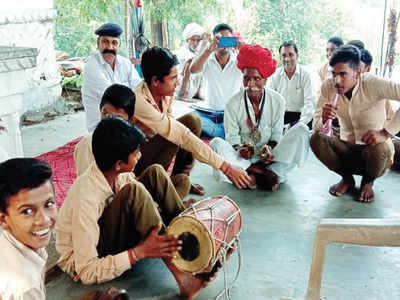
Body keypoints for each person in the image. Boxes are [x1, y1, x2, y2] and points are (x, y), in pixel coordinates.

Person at [56, 117, 221, 299]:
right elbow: (86, 270)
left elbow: (139, 197)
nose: (140, 156)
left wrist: (157, 212)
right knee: (134, 191)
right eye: (136, 153)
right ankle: (183, 277)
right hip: (88, 259)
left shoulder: (114, 172)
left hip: (110, 232)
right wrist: (138, 253)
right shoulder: (86, 195)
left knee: (155, 172)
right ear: (119, 164)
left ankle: (190, 246)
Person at [0, 158, 126, 300]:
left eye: (48, 204)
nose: (44, 220)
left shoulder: (17, 242)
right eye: (27, 211)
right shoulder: (24, 287)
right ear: (3, 219)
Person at [133, 46, 252, 191]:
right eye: (173, 78)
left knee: (192, 121)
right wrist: (226, 167)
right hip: (133, 166)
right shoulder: (139, 100)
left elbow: (178, 129)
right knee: (176, 134)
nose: (177, 83)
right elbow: (179, 134)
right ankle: (160, 188)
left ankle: (179, 179)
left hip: (152, 150)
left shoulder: (163, 93)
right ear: (155, 81)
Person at [210, 45, 309, 190]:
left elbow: (276, 134)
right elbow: (231, 138)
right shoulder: (232, 103)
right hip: (242, 159)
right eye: (246, 78)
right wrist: (240, 149)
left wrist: (269, 149)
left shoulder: (278, 101)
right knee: (216, 144)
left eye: (256, 79)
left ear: (265, 79)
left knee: (302, 130)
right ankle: (262, 174)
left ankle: (251, 175)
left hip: (269, 157)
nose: (251, 84)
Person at [311, 45, 400, 203]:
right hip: (346, 148)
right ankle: (347, 179)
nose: (337, 81)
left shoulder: (374, 83)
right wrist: (324, 120)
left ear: (358, 72)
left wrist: (385, 133)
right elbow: (316, 125)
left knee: (381, 147)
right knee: (316, 139)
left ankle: (368, 182)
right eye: (334, 74)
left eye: (343, 74)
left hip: (375, 153)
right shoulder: (328, 86)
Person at [75, 83, 191, 199]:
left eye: (118, 119)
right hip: (109, 206)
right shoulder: (87, 145)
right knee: (153, 198)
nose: (109, 122)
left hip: (127, 196)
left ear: (130, 120)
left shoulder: (126, 141)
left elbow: (128, 179)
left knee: (179, 180)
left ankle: (164, 210)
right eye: (106, 114)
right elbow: (87, 192)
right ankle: (169, 212)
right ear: (100, 109)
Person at [82, 23, 142, 132]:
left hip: (124, 123)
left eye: (114, 43)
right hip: (100, 129)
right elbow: (115, 97)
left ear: (119, 45)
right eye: (105, 42)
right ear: (98, 44)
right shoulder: (91, 66)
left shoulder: (125, 63)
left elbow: (139, 89)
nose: (110, 47)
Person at [190, 23, 243, 138]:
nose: (223, 44)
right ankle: (221, 133)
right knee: (191, 120)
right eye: (220, 39)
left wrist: (243, 49)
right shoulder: (207, 58)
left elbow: (256, 71)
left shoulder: (239, 60)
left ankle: (218, 133)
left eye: (227, 39)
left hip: (231, 114)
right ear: (214, 40)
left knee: (237, 124)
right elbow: (193, 70)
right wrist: (209, 50)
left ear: (232, 41)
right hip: (209, 113)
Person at [267, 40, 317, 128]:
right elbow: (269, 101)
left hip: (302, 118)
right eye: (284, 55)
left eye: (291, 54)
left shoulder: (306, 75)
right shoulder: (274, 76)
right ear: (280, 57)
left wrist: (297, 125)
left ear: (297, 56)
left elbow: (310, 104)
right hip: (280, 118)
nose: (287, 59)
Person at [175, 23, 208, 100]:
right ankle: (183, 94)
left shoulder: (197, 50)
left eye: (198, 40)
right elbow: (189, 68)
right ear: (187, 40)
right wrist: (182, 92)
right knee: (192, 65)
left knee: (201, 66)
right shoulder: (184, 50)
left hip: (192, 84)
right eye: (193, 39)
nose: (195, 43)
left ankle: (197, 93)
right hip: (183, 84)